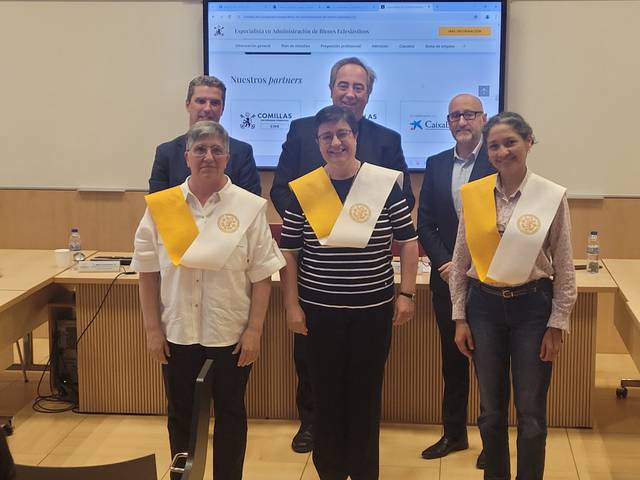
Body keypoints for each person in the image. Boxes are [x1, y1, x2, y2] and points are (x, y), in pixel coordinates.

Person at [271, 57, 415, 453]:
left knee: (363, 373)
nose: (350, 92)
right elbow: (282, 189)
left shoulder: (387, 139)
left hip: (368, 284)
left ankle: (356, 434)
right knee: (312, 362)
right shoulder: (302, 131)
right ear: (331, 88)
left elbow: (403, 200)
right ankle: (312, 423)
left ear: (368, 94)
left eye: (359, 87)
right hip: (317, 274)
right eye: (343, 85)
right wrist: (324, 221)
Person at [132, 121, 285, 480]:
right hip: (178, 334)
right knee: (181, 416)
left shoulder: (248, 207)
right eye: (199, 149)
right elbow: (147, 272)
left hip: (230, 336)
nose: (208, 157)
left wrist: (254, 331)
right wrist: (153, 331)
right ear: (186, 156)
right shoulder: (162, 207)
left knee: (231, 415)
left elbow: (262, 276)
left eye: (216, 150)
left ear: (228, 157)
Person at [450, 112, 577, 480]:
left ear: (528, 143)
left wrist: (558, 323)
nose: (503, 151)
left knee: (531, 413)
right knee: (490, 410)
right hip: (484, 308)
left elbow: (565, 264)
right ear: (485, 151)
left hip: (533, 309)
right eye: (494, 145)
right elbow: (461, 262)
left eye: (511, 143)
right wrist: (460, 317)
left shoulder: (550, 196)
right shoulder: (474, 196)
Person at [417, 94, 494, 467]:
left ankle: (491, 441)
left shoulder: (497, 159)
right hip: (446, 280)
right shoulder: (435, 164)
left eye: (469, 114)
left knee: (488, 363)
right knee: (452, 359)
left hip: (487, 281)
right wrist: (446, 262)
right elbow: (426, 223)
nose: (462, 120)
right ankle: (454, 434)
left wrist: (472, 265)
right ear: (448, 122)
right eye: (454, 115)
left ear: (483, 117)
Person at [149, 75, 261, 195]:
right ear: (187, 105)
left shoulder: (242, 152)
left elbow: (250, 203)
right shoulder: (166, 153)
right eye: (201, 101)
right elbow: (158, 206)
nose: (207, 108)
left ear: (222, 108)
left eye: (215, 103)